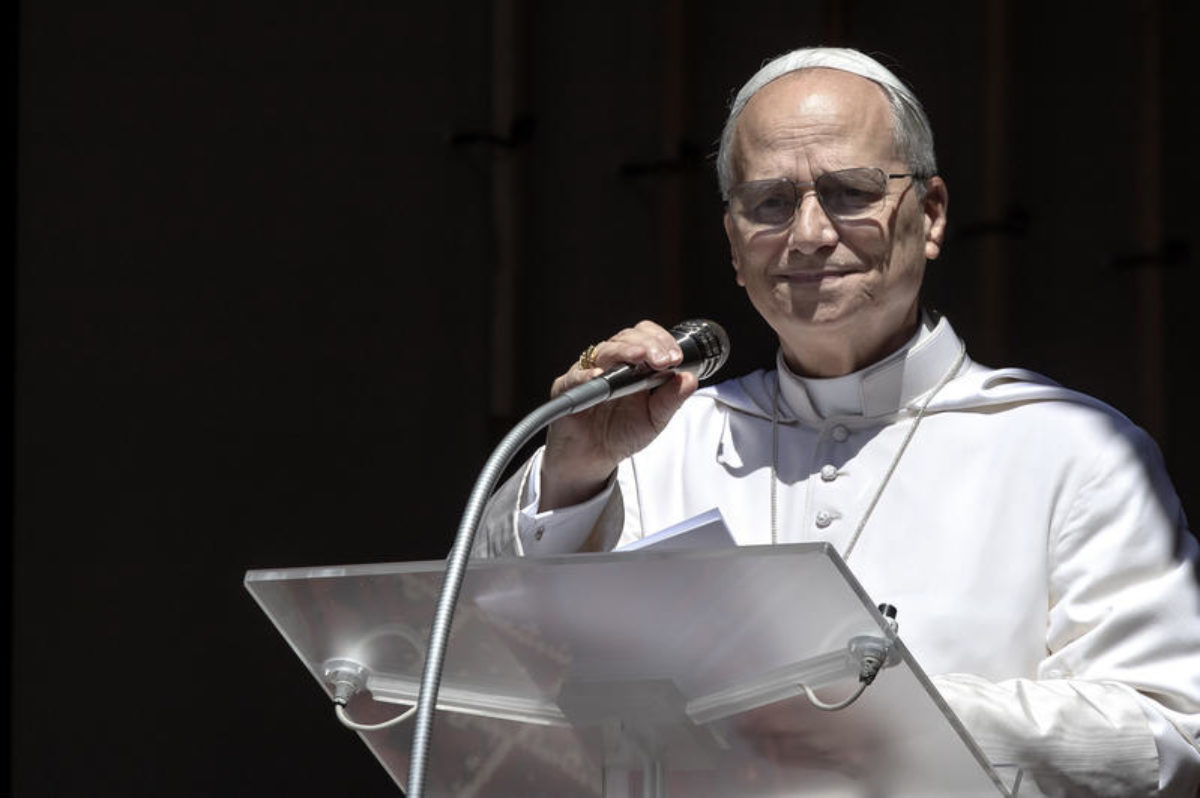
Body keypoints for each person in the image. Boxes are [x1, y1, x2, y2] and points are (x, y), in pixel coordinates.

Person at [476, 47, 1200, 795]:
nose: (809, 234)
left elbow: (1172, 734)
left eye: (851, 192)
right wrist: (570, 476)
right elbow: (474, 670)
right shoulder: (655, 439)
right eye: (769, 203)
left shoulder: (1071, 450)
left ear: (931, 215)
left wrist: (891, 718)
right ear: (733, 246)